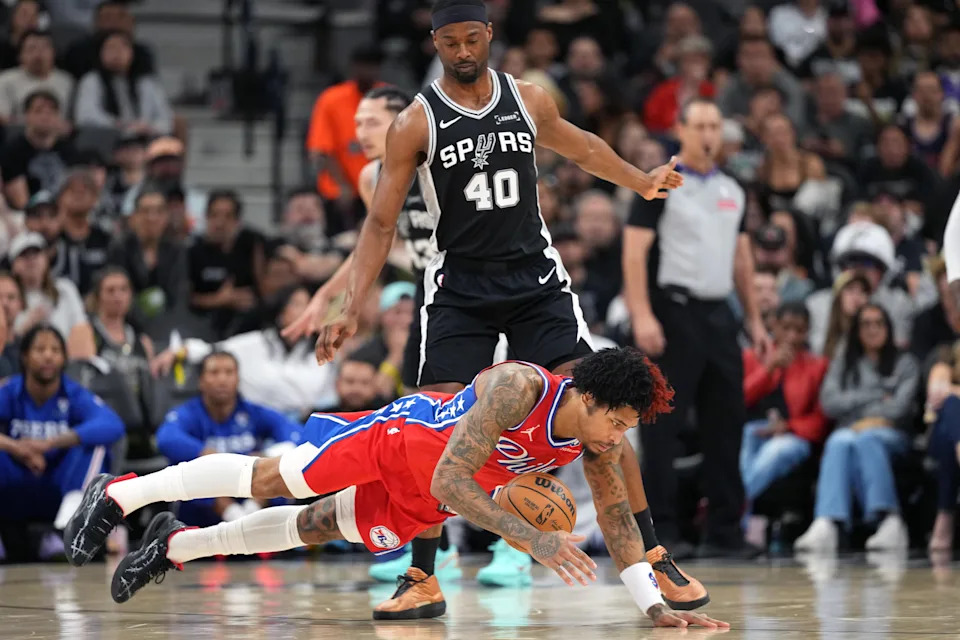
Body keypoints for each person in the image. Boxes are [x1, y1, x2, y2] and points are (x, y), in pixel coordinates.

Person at [299, 0, 704, 612]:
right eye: (450, 42)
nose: (463, 51)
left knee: (599, 410)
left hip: (535, 282)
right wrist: (351, 305)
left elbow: (583, 147)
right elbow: (379, 224)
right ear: (435, 43)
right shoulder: (415, 122)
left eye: (472, 38)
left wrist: (640, 180)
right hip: (459, 289)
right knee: (430, 435)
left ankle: (652, 556)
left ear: (488, 34)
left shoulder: (528, 98)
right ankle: (422, 574)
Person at [65, 348, 728, 631]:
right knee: (279, 479)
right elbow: (451, 476)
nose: (618, 437)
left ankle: (175, 546)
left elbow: (618, 522)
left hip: (429, 494)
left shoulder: (598, 446)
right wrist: (532, 537)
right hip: (398, 439)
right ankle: (123, 493)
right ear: (587, 398)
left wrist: (653, 608)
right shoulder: (519, 388)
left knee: (313, 528)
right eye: (617, 421)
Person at [624, 98, 771, 558]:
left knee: (727, 424)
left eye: (714, 125)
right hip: (673, 310)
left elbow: (742, 259)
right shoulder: (660, 184)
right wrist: (642, 314)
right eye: (700, 125)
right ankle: (661, 532)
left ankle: (724, 530)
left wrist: (755, 320)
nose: (708, 134)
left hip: (719, 313)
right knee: (662, 426)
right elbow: (634, 252)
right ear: (681, 130)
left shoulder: (734, 188)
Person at [794, 304, 919, 552]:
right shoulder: (844, 362)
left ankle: (889, 520)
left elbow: (900, 409)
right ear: (856, 330)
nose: (873, 330)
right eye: (866, 324)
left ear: (888, 328)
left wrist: (861, 415)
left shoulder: (905, 363)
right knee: (838, 441)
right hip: (850, 432)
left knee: (867, 438)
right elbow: (829, 403)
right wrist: (876, 396)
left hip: (893, 435)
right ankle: (827, 522)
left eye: (879, 323)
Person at [0, 324, 123, 552]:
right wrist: (17, 448)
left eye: (55, 350)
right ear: (25, 356)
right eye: (40, 349)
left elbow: (112, 424)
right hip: (15, 481)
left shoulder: (73, 393)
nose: (48, 356)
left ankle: (65, 532)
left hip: (58, 481)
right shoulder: (9, 390)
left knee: (95, 446)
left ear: (64, 358)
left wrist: (51, 443)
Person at [154, 351, 300, 527]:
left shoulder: (253, 411)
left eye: (229, 372)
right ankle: (237, 520)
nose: (222, 380)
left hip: (251, 492)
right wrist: (205, 453)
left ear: (238, 379)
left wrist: (266, 455)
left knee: (274, 466)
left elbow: (296, 436)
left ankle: (249, 516)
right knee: (200, 471)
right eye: (214, 373)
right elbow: (166, 438)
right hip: (204, 510)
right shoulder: (188, 412)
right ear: (201, 381)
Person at [151, 285, 338, 418]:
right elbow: (210, 350)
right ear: (280, 312)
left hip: (306, 425)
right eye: (297, 304)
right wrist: (177, 352)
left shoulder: (321, 350)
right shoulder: (253, 344)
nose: (307, 311)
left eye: (310, 304)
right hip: (256, 425)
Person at [740, 302, 828, 544]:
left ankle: (735, 507)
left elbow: (821, 419)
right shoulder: (752, 357)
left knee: (776, 450)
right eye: (786, 328)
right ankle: (740, 523)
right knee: (745, 441)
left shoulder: (817, 366)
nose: (792, 336)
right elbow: (739, 399)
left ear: (807, 332)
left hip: (794, 436)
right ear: (774, 326)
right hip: (754, 430)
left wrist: (789, 427)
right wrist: (770, 367)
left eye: (799, 330)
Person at [306, 46, 384, 236]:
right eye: (363, 66)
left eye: (372, 66)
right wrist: (342, 186)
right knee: (341, 242)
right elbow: (321, 150)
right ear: (353, 67)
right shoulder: (331, 99)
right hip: (340, 194)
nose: (367, 71)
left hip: (379, 191)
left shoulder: (387, 97)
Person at [187, 190, 264, 338]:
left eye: (228, 216)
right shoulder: (193, 252)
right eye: (214, 215)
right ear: (206, 217)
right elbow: (186, 298)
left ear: (237, 221)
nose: (220, 223)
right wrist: (219, 300)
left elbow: (262, 292)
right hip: (200, 327)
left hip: (245, 329)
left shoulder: (251, 247)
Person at [107, 186, 187, 323]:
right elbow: (119, 294)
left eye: (159, 211)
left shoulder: (176, 249)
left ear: (166, 216)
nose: (152, 218)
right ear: (134, 217)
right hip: (127, 322)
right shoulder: (120, 248)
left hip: (167, 323)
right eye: (145, 211)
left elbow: (179, 294)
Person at [10, 232, 95, 360]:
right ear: (14, 265)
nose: (31, 260)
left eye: (36, 254)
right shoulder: (7, 296)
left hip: (68, 358)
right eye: (24, 256)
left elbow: (81, 328)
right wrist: (28, 324)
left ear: (46, 259)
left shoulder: (65, 288)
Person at [74, 30, 173, 137]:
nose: (117, 53)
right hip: (107, 137)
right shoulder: (91, 80)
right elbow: (85, 116)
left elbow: (166, 120)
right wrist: (119, 125)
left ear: (132, 53)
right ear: (100, 54)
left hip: (144, 137)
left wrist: (148, 127)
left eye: (123, 47)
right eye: (111, 48)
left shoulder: (147, 83)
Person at [0, 89, 76, 209]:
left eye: (51, 112)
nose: (45, 117)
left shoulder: (69, 150)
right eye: (38, 111)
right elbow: (21, 203)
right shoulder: (12, 151)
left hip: (64, 212)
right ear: (26, 115)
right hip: (26, 214)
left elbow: (74, 190)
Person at [0, 29, 73, 123]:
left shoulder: (67, 81)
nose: (38, 55)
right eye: (31, 49)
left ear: (54, 53)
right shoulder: (5, 80)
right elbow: (2, 117)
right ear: (20, 55)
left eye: (44, 49)